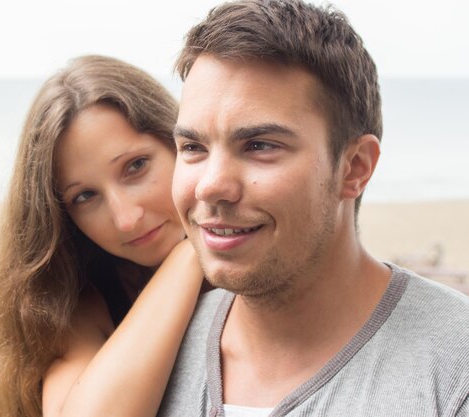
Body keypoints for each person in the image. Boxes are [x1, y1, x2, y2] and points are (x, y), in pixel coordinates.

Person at [157, 1, 469, 416]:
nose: (211, 186)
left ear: (354, 168)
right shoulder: (160, 349)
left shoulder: (453, 371)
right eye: (193, 147)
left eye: (260, 146)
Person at [0, 55, 204, 417]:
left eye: (135, 167)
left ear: (181, 143)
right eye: (85, 196)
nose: (126, 219)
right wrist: (189, 255)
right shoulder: (76, 302)